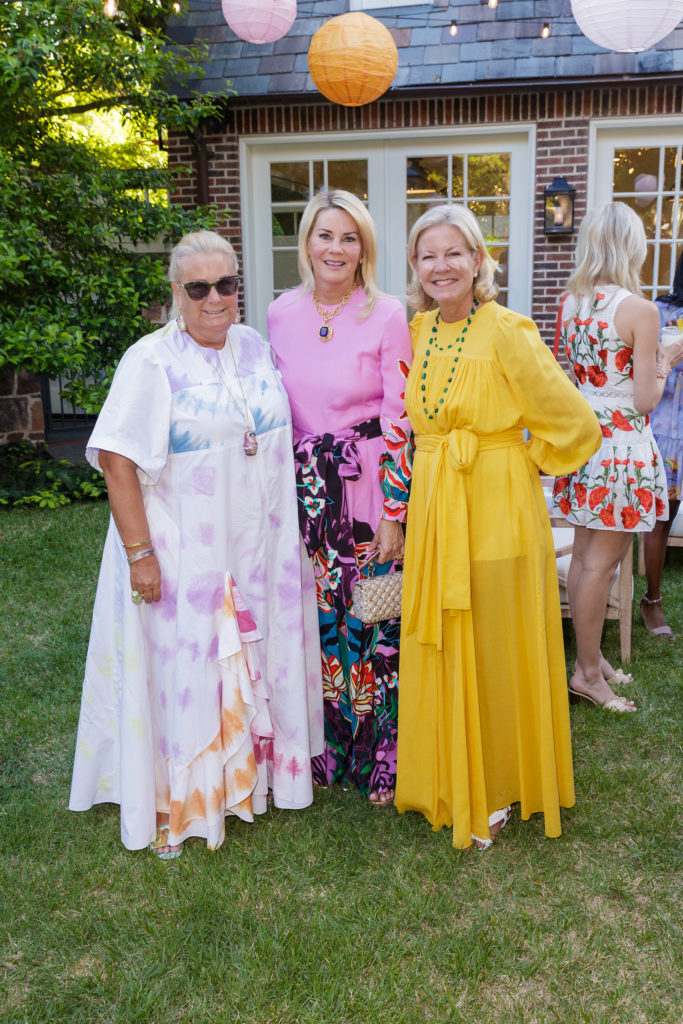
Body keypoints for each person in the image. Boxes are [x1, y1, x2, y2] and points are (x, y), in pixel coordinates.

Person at [70, 230, 323, 858]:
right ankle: (185, 797)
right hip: (186, 551)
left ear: (240, 286)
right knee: (188, 671)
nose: (216, 299)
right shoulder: (150, 361)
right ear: (176, 294)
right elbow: (118, 461)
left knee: (256, 653)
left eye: (227, 284)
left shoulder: (256, 349)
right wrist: (140, 554)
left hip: (257, 545)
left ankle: (252, 783)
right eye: (199, 288)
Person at [394, 203, 601, 850]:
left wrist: (510, 461)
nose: (441, 266)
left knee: (493, 647)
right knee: (447, 642)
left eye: (454, 252)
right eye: (428, 255)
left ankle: (497, 784)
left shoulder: (508, 328)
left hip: (496, 512)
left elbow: (574, 423)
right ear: (414, 266)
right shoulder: (416, 331)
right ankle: (451, 776)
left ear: (479, 259)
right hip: (435, 509)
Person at [267, 190, 413, 806]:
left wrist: (394, 510)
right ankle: (324, 750)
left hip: (366, 481)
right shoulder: (278, 313)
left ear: (364, 250)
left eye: (349, 238)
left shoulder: (387, 313)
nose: (336, 248)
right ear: (307, 243)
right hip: (305, 486)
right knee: (318, 616)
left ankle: (384, 757)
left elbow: (400, 414)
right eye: (325, 235)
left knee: (374, 615)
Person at [552, 203, 683, 708]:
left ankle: (594, 659)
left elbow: (576, 374)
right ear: (633, 245)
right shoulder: (640, 310)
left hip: (585, 442)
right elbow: (647, 400)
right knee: (601, 567)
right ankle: (586, 672)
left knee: (586, 557)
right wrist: (667, 358)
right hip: (622, 448)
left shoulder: (570, 303)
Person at [640, 249, 683, 640]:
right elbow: (644, 371)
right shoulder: (660, 313)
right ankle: (652, 601)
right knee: (660, 518)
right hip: (668, 431)